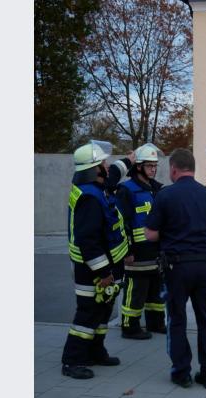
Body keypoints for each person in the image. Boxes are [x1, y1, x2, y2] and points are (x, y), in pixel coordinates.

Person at [144, 148, 206, 389]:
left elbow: (150, 234)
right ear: (193, 168)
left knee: (177, 319)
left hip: (176, 266)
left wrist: (174, 234)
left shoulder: (165, 196)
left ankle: (182, 373)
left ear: (173, 169)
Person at [61, 142, 135, 379]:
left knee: (103, 310)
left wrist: (130, 160)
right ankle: (72, 360)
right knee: (88, 313)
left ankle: (96, 351)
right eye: (103, 163)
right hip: (91, 268)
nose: (107, 166)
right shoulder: (90, 198)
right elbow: (88, 241)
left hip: (104, 265)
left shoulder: (95, 186)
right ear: (95, 169)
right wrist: (104, 272)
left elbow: (115, 173)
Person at [116, 143, 167, 340]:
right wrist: (127, 250)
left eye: (155, 165)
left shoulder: (158, 189)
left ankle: (156, 323)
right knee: (136, 290)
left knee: (156, 289)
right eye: (149, 165)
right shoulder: (126, 190)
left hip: (155, 251)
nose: (153, 169)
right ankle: (129, 326)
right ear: (138, 167)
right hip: (136, 252)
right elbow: (122, 222)